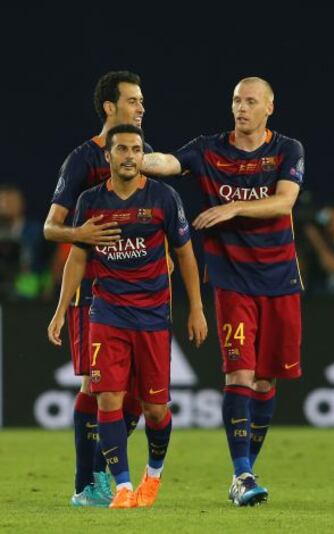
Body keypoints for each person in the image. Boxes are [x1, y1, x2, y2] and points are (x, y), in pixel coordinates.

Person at [141, 77, 304, 506]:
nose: (241, 108)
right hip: (233, 282)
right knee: (240, 376)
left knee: (267, 382)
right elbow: (167, 164)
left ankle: (247, 468)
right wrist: (132, 154)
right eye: (236, 101)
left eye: (251, 101)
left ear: (270, 106)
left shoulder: (288, 150)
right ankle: (242, 474)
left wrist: (233, 207)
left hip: (280, 280)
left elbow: (284, 202)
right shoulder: (208, 149)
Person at [48, 124, 207, 508]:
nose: (130, 155)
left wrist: (197, 308)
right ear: (110, 156)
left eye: (136, 149)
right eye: (122, 149)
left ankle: (152, 478)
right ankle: (121, 487)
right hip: (107, 313)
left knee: (155, 409)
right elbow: (78, 257)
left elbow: (185, 254)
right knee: (107, 399)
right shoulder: (90, 202)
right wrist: (60, 309)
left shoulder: (164, 198)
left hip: (152, 315)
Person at [43, 71, 152, 506]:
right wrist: (81, 234)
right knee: (96, 385)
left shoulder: (138, 155)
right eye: (133, 100)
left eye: (143, 100)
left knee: (141, 393)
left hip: (140, 293)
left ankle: (103, 470)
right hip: (94, 293)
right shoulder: (82, 160)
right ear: (110, 107)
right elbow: (53, 228)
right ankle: (85, 484)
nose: (142, 107)